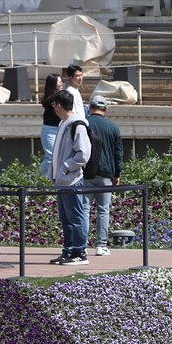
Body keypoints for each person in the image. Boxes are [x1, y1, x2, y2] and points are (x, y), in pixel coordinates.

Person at [47, 89, 92, 266]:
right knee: (66, 218)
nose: (54, 109)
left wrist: (66, 169)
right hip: (62, 181)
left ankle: (79, 252)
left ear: (58, 105)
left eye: (54, 105)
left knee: (76, 216)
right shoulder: (64, 123)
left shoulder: (77, 124)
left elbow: (83, 154)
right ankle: (68, 251)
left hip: (72, 180)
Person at [86, 95, 124, 257]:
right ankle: (101, 245)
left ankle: (82, 244)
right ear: (105, 110)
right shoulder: (113, 127)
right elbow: (118, 153)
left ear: (90, 107)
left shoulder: (84, 123)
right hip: (106, 174)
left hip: (86, 173)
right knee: (103, 210)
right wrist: (117, 173)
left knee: (84, 209)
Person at [39, 74, 62, 178]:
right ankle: (42, 177)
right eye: (59, 82)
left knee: (59, 156)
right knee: (51, 156)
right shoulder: (50, 100)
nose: (61, 84)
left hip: (59, 129)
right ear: (54, 84)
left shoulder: (59, 97)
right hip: (50, 130)